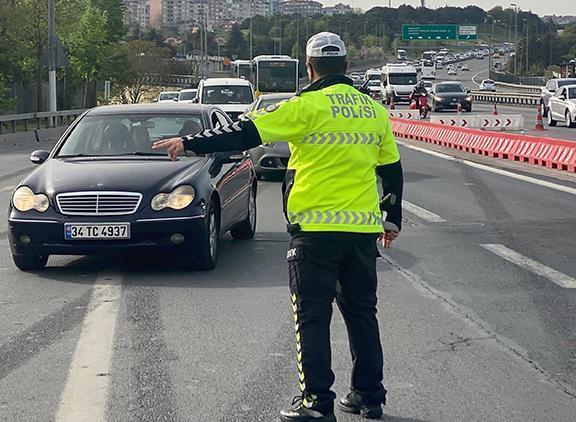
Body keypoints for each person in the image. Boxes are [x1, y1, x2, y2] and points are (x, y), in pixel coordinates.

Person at [153, 32, 403, 422]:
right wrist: (392, 220)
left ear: (309, 67)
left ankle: (316, 403)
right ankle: (369, 397)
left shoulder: (306, 106)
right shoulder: (373, 111)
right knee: (362, 315)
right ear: (347, 66)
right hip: (361, 234)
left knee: (311, 317)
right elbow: (391, 170)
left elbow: (245, 131)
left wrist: (188, 144)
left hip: (316, 234)